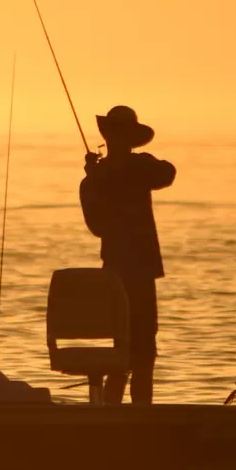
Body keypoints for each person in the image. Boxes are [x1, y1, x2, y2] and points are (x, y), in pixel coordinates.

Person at [79, 105, 176, 405]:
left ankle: (141, 411)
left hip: (141, 270)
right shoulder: (94, 180)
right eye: (117, 133)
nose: (121, 140)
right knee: (121, 349)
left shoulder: (141, 168)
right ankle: (113, 411)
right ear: (109, 136)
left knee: (145, 349)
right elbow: (97, 227)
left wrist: (111, 174)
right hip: (118, 270)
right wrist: (100, 180)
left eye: (125, 134)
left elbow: (167, 173)